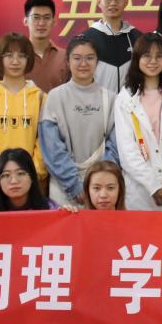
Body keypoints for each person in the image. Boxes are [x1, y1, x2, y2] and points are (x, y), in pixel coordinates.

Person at [39, 35, 118, 207]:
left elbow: (114, 145)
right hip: (63, 186)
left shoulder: (111, 98)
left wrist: (99, 182)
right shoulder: (55, 97)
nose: (83, 63)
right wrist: (73, 185)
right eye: (77, 58)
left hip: (101, 189)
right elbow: (52, 147)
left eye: (90, 58)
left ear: (97, 62)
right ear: (67, 61)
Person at [114, 33, 162, 210]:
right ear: (137, 59)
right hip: (140, 190)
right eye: (147, 55)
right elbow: (127, 150)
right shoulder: (125, 98)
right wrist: (153, 186)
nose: (153, 61)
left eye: (159, 56)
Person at [0, 33, 47, 200]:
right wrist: (4, 176)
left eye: (22, 56)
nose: (15, 61)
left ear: (29, 60)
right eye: (8, 55)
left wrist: (28, 176)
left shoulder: (41, 98)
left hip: (33, 188)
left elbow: (44, 143)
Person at [88, 0, 141, 95]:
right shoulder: (87, 38)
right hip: (97, 104)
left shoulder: (138, 38)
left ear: (126, 2)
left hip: (130, 105)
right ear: (99, 2)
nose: (113, 3)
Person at [23, 0, 69, 93]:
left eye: (47, 18)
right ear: (26, 21)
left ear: (54, 22)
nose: (41, 23)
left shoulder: (65, 57)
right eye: (36, 17)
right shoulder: (16, 57)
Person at [0, 147, 57, 211]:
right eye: (6, 175)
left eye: (20, 173)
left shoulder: (51, 209)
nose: (14, 181)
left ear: (32, 177)